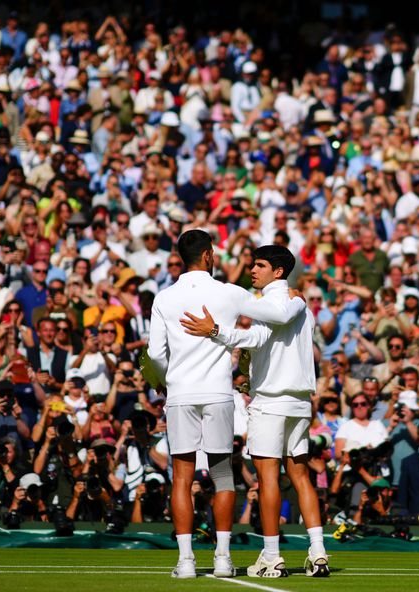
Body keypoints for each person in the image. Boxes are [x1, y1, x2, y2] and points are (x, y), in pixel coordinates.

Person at [146, 230, 303, 579]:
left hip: (180, 393)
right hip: (217, 394)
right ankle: (221, 557)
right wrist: (295, 299)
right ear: (207, 255)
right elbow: (277, 316)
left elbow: (155, 354)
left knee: (182, 477)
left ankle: (186, 561)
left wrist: (162, 379)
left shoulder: (163, 298)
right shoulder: (229, 292)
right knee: (222, 477)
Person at [180, 245, 329, 577]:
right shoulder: (299, 305)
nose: (252, 270)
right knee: (301, 476)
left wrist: (214, 331)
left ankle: (272, 555)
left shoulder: (274, 304)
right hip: (300, 402)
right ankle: (318, 552)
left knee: (268, 477)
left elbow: (253, 340)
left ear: (278, 271)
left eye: (259, 265)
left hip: (272, 402)